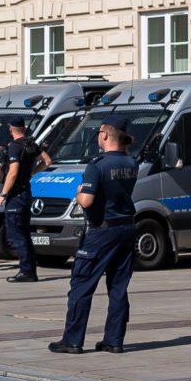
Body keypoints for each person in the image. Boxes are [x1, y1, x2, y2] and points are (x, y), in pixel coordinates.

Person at [50, 120, 140, 354]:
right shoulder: (131, 162)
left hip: (102, 231)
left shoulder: (97, 165)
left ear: (106, 136)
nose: (97, 136)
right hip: (126, 228)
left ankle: (72, 340)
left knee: (82, 284)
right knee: (118, 287)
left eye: (99, 132)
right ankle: (114, 340)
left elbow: (87, 201)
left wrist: (79, 193)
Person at [0, 115, 49, 283]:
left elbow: (12, 172)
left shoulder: (14, 146)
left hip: (16, 196)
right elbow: (47, 161)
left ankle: (26, 271)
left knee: (16, 235)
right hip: (26, 192)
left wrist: (3, 193)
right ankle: (29, 270)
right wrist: (31, 173)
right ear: (24, 129)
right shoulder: (30, 144)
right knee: (24, 234)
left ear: (11, 130)